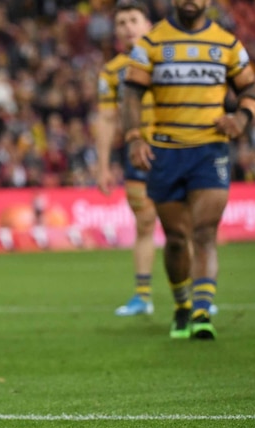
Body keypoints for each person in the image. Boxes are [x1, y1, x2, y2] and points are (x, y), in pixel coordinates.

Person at [121, 0, 255, 339]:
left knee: (205, 233)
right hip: (165, 153)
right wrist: (135, 139)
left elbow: (250, 91)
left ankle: (201, 312)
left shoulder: (227, 44)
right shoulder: (150, 44)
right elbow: (131, 96)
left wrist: (241, 118)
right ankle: (182, 305)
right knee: (178, 240)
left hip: (210, 151)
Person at [95, 0, 157, 317]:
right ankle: (142, 296)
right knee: (144, 222)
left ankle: (195, 298)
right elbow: (106, 120)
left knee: (182, 225)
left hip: (173, 148)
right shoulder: (110, 72)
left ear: (148, 25)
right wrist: (103, 166)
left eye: (134, 20)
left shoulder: (164, 59)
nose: (128, 27)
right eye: (121, 23)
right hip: (135, 152)